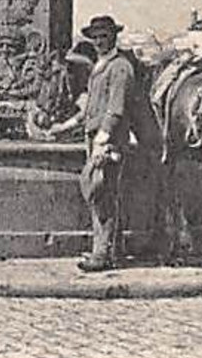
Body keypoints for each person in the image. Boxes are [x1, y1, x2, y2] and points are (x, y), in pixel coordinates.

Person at [48, 15, 150, 272]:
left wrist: (102, 140)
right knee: (104, 194)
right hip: (94, 137)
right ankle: (110, 251)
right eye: (95, 37)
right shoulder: (100, 66)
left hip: (109, 140)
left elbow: (116, 110)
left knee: (100, 193)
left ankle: (101, 255)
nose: (99, 41)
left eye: (104, 36)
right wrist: (64, 126)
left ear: (114, 37)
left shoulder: (120, 67)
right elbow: (89, 110)